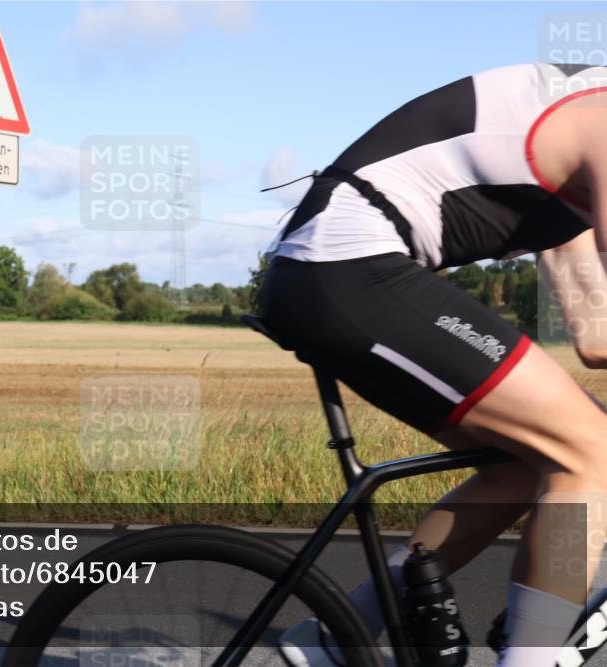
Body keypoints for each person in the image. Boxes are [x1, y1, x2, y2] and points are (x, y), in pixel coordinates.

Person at [261, 63, 607, 667]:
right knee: (592, 454)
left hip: (339, 273)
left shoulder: (571, 160)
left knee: (531, 463)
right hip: (349, 267)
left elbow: (596, 334)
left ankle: (338, 636)